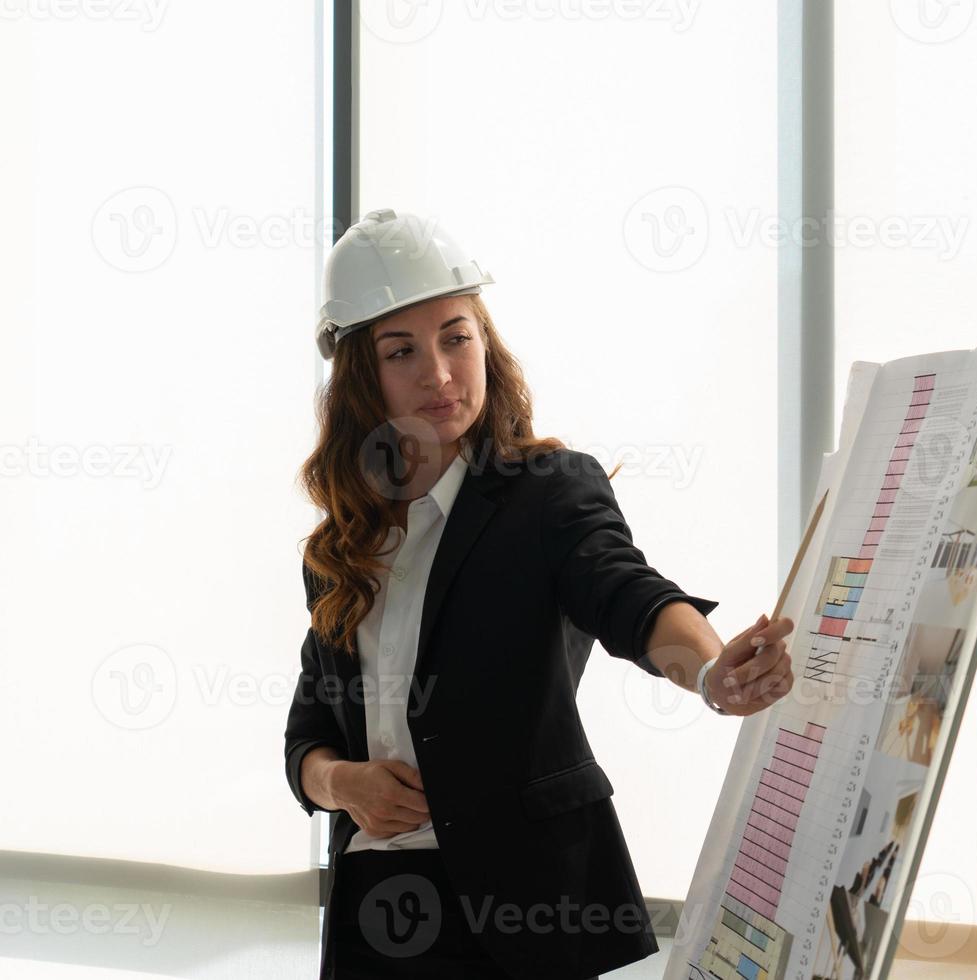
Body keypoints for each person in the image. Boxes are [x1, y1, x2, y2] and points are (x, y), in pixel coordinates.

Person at [283, 209, 795, 979]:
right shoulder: (342, 550)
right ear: (363, 375)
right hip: (379, 909)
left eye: (457, 336)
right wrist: (340, 782)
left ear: (485, 340)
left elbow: (630, 597)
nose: (440, 373)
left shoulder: (546, 496)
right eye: (402, 351)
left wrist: (713, 675)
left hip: (529, 907)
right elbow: (308, 731)